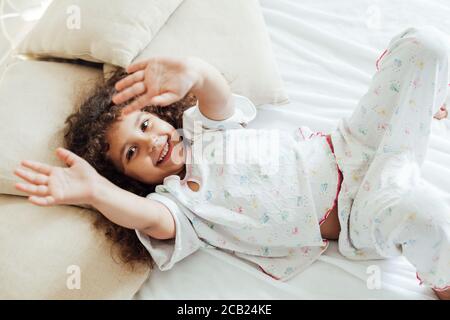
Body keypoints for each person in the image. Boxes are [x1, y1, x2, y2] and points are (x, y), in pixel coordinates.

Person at [14, 27, 450, 299]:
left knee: (423, 45)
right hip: (363, 206)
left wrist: (194, 71)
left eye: (145, 125)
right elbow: (144, 217)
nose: (150, 144)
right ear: (131, 181)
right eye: (132, 153)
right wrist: (95, 192)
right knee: (427, 216)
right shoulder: (182, 205)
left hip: (355, 144)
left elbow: (215, 94)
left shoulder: (203, 131)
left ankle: (431, 97)